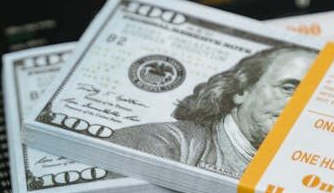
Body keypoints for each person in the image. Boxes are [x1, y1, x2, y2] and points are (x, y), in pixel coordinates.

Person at [108, 46, 317, 178]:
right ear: (242, 90)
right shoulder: (158, 142)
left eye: (317, 96)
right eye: (289, 88)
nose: (303, 104)